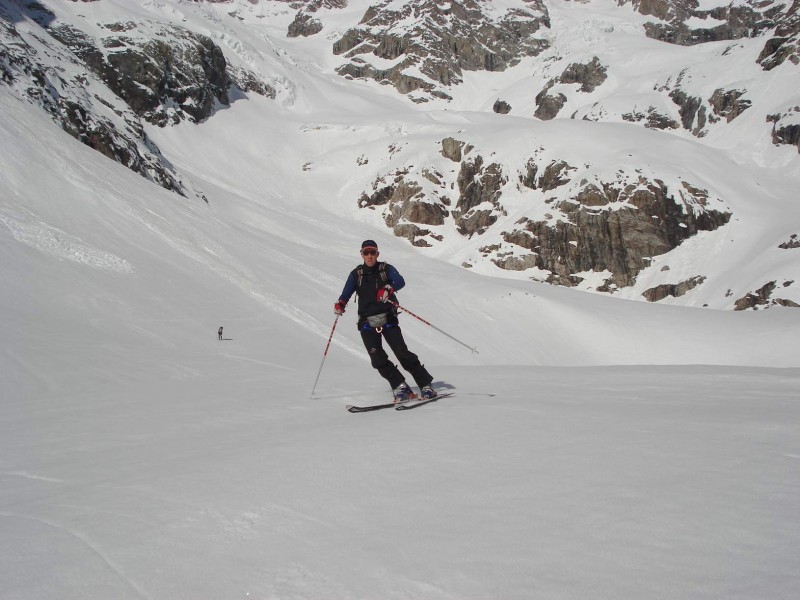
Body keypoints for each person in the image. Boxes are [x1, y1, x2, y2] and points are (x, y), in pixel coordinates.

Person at [334, 240, 437, 402]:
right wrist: (340, 304)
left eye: (372, 252)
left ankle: (426, 384)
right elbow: (346, 293)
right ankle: (400, 386)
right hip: (367, 322)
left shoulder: (386, 269)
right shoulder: (356, 274)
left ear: (377, 254)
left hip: (388, 318)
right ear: (361, 254)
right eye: (366, 253)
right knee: (377, 359)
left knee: (402, 354)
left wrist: (388, 288)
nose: (369, 256)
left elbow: (400, 281)